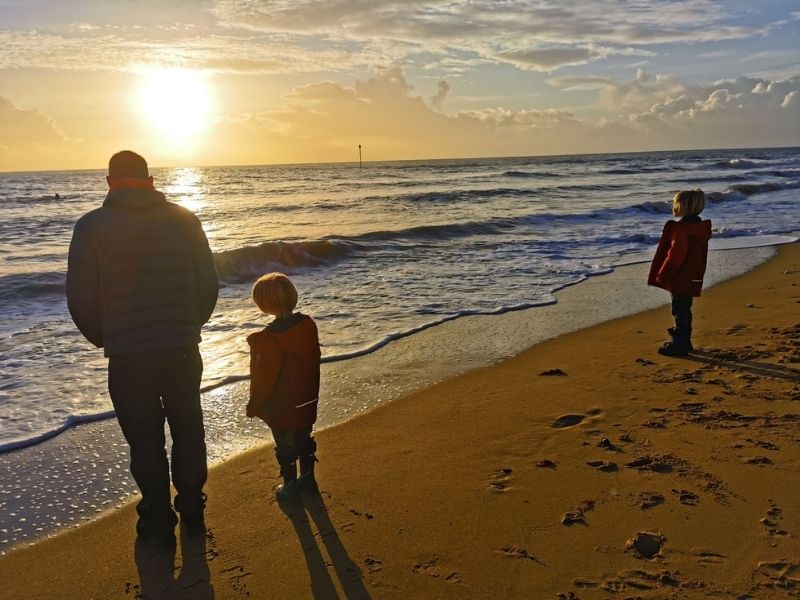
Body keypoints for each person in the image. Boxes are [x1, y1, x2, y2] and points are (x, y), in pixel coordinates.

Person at [66, 150, 218, 544]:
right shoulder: (184, 220)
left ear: (110, 182)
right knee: (188, 428)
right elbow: (209, 285)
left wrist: (110, 337)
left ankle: (157, 516)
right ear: (149, 180)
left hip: (129, 354)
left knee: (144, 438)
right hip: (182, 346)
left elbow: (80, 299)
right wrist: (187, 325)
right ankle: (192, 508)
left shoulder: (91, 227)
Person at [246, 272, 321, 502]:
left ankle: (290, 485)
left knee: (285, 445)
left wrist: (255, 404)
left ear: (263, 305)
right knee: (304, 438)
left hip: (280, 405)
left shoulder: (266, 340)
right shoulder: (308, 326)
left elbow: (263, 378)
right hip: (307, 398)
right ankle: (308, 479)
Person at [647, 189, 712, 356]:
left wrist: (663, 274)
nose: (673, 206)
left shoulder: (682, 229)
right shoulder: (699, 227)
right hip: (693, 275)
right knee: (685, 308)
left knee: (679, 310)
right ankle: (685, 342)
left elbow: (675, 256)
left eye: (675, 203)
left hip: (679, 277)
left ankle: (679, 345)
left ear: (683, 206)